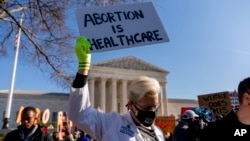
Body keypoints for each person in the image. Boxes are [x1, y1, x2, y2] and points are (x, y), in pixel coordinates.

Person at [68, 36, 165, 141]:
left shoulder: (158, 133)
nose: (152, 112)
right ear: (131, 105)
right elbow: (80, 115)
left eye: (155, 107)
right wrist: (83, 67)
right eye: (146, 108)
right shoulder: (112, 124)